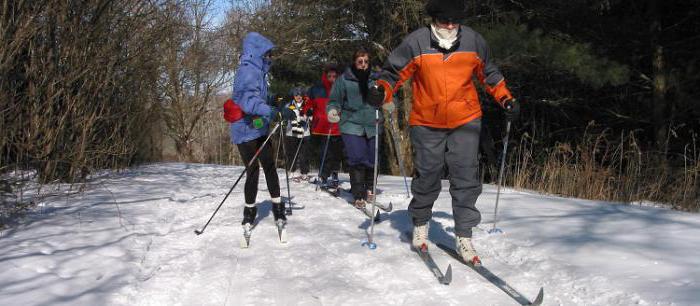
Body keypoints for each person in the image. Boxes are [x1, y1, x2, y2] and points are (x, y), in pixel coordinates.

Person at [368, 0, 521, 265]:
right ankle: (420, 224)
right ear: (434, 20)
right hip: (427, 120)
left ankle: (464, 235)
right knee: (428, 174)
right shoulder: (416, 42)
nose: (450, 26)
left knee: (466, 176)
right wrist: (381, 90)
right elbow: (393, 73)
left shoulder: (473, 41)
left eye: (454, 21)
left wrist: (506, 99)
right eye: (444, 21)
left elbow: (490, 73)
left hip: (466, 118)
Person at [230, 32, 296, 228]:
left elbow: (259, 98)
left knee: (269, 166)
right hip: (245, 129)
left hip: (258, 127)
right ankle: (249, 211)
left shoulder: (258, 72)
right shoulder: (248, 71)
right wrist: (272, 112)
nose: (270, 57)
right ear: (257, 52)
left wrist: (275, 100)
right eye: (267, 53)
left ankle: (277, 208)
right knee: (253, 170)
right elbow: (248, 102)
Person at [327, 48, 381, 208]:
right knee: (357, 157)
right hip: (351, 123)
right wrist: (332, 110)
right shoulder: (344, 80)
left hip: (373, 123)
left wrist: (389, 102)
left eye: (366, 61)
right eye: (360, 62)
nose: (363, 65)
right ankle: (358, 194)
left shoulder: (376, 79)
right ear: (354, 62)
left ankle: (370, 189)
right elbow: (334, 100)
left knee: (373, 157)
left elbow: (387, 95)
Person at [307, 64, 343, 188]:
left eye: (334, 76)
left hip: (337, 127)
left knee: (336, 153)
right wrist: (307, 110)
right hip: (321, 127)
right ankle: (323, 175)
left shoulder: (341, 89)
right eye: (330, 76)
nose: (332, 78)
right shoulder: (317, 89)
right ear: (325, 76)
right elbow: (308, 102)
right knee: (324, 153)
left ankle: (334, 173)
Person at [283, 86, 312, 182]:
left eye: (300, 94)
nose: (298, 96)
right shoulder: (289, 105)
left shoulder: (307, 104)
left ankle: (304, 172)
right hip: (291, 133)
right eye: (296, 95)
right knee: (291, 153)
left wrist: (310, 115)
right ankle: (292, 172)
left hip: (305, 133)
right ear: (293, 96)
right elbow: (285, 116)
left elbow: (312, 118)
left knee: (304, 154)